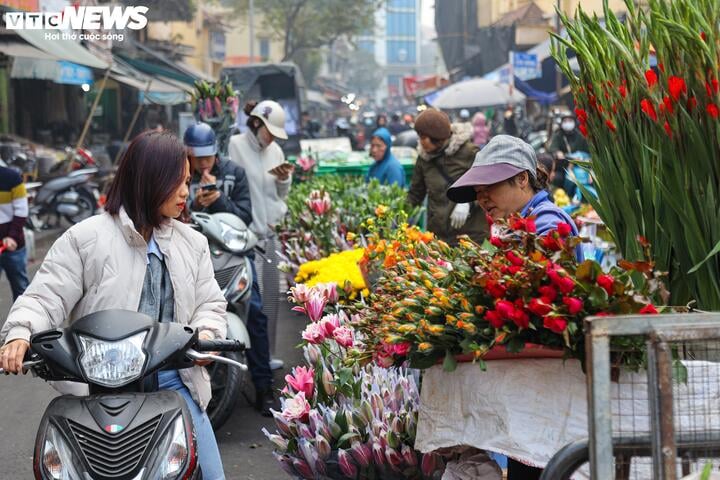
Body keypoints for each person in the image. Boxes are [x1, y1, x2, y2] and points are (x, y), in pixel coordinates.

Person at [0, 130, 228, 479]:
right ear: (150, 180)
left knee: (211, 474)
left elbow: (209, 303)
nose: (186, 192)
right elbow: (45, 297)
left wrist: (208, 333)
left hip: (174, 384)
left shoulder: (192, 243)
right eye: (178, 182)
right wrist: (20, 332)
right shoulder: (85, 239)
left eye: (188, 181)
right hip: (98, 388)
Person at [228, 100, 292, 416]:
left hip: (270, 235)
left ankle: (266, 357)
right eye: (270, 131)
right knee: (253, 306)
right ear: (257, 124)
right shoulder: (235, 146)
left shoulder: (276, 153)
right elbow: (237, 191)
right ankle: (257, 370)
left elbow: (281, 196)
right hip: (246, 237)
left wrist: (284, 179)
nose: (273, 138)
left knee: (270, 301)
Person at [447, 134, 583, 259]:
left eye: (489, 187)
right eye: (477, 191)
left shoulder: (547, 224)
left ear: (522, 179)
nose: (482, 199)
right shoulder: (516, 222)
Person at [407, 108, 488, 245]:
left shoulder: (469, 152)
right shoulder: (424, 159)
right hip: (439, 236)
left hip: (471, 236)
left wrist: (467, 202)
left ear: (436, 136)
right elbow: (415, 193)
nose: (420, 142)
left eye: (423, 137)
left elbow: (488, 185)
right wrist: (396, 215)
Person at [183, 122, 252, 225]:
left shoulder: (235, 172)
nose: (203, 162)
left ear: (215, 153)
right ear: (188, 156)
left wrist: (218, 198)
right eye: (198, 157)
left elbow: (245, 217)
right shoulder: (180, 176)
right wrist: (196, 206)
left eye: (208, 156)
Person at [0, 166, 29, 300]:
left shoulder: (12, 177)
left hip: (13, 246)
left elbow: (21, 211)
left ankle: (22, 320)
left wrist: (12, 236)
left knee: (20, 288)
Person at [548, 113, 590, 195]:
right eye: (565, 121)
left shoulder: (580, 136)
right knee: (557, 178)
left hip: (580, 167)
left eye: (570, 121)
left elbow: (588, 152)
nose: (568, 123)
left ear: (574, 122)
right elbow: (552, 148)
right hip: (563, 166)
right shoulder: (558, 135)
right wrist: (557, 152)